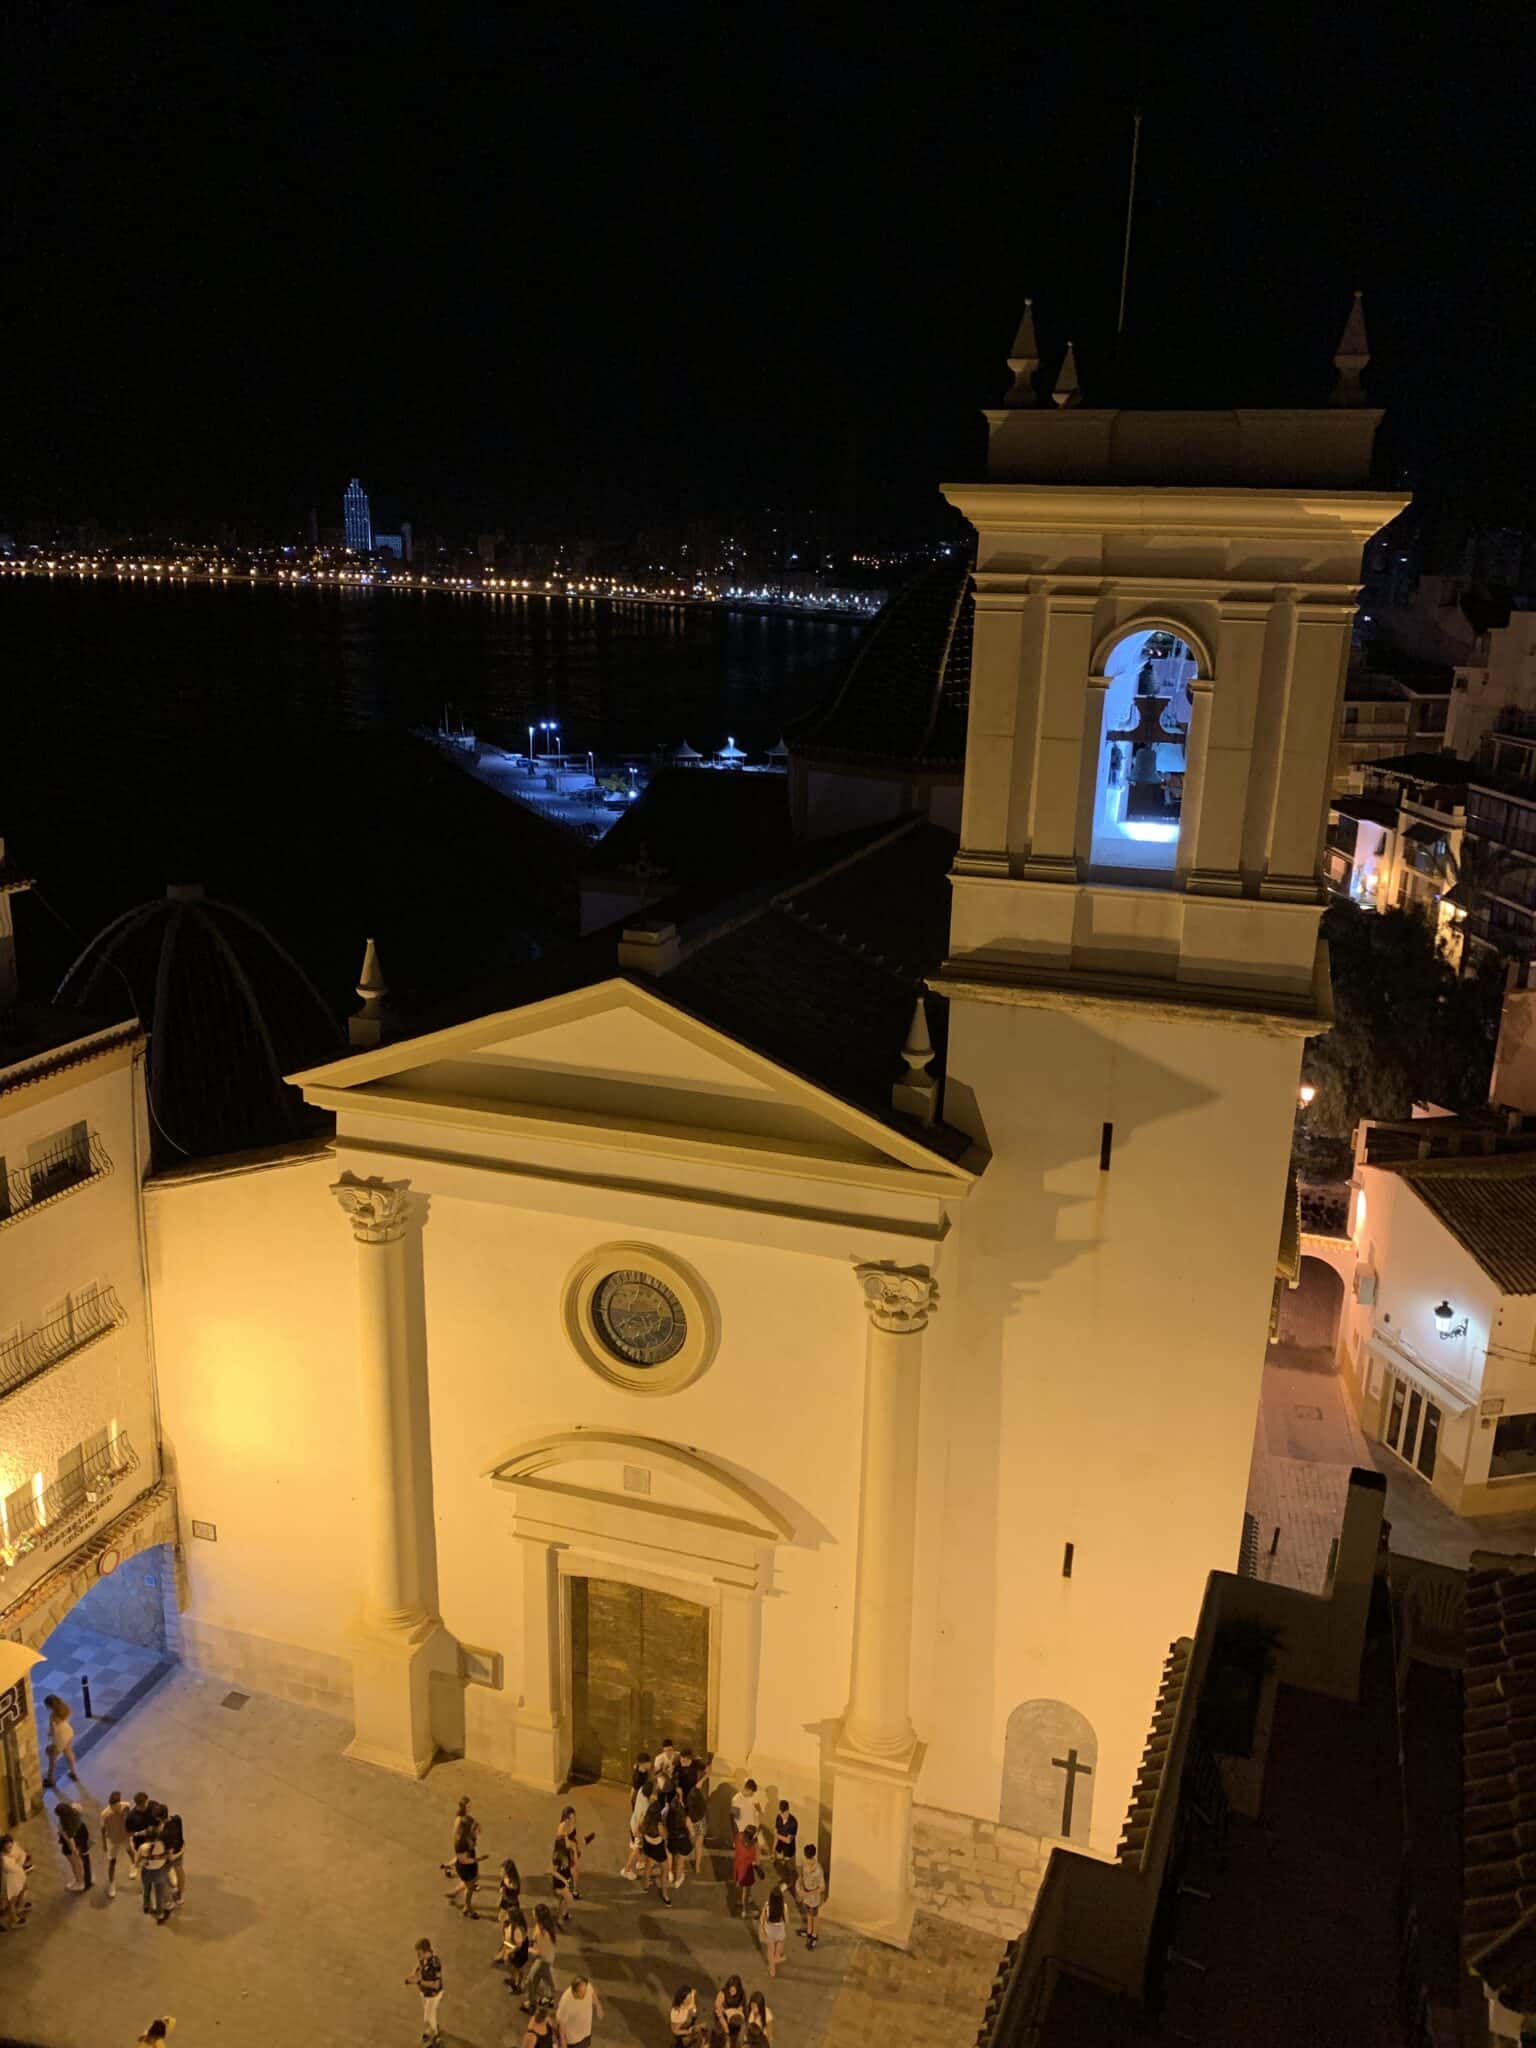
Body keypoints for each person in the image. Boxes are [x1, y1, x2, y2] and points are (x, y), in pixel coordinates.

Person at [446, 1795, 480, 1918]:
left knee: (470, 1882)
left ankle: (454, 1893)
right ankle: (467, 1907)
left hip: (466, 1863)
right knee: (469, 1886)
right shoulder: (465, 1842)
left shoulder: (465, 1838)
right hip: (466, 1865)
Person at [405, 1936, 444, 2043]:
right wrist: (413, 1974)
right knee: (430, 2014)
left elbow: (436, 1985)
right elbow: (419, 1965)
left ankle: (436, 2035)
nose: (418, 1956)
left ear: (426, 1951)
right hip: (424, 1992)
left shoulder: (435, 1964)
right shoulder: (423, 1958)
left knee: (428, 2017)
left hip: (433, 1995)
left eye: (419, 1953)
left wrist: (417, 1982)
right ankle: (430, 2030)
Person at [522, 1901, 559, 2010]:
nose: (532, 1913)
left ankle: (532, 2003)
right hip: (548, 1958)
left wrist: (527, 1949)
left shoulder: (541, 1932)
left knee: (531, 1980)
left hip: (543, 1960)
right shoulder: (546, 1927)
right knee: (540, 1979)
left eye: (534, 1912)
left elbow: (539, 1952)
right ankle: (549, 1997)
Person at [137, 1817, 172, 1922]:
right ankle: (160, 1914)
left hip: (146, 1871)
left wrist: (139, 1863)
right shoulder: (161, 1845)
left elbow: (138, 1860)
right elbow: (168, 1857)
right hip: (159, 1871)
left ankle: (146, 1906)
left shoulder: (143, 1847)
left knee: (146, 1890)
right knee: (159, 1894)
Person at [101, 1790, 133, 1900]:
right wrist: (104, 1843)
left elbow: (129, 1819)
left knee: (130, 1850)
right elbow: (103, 1829)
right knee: (112, 1862)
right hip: (113, 1840)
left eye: (115, 1805)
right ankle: (112, 1884)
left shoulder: (126, 1806)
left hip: (125, 1836)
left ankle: (134, 1866)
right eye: (112, 1806)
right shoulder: (105, 1814)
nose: (114, 1808)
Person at [55, 1800, 92, 1893]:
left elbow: (70, 1841)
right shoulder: (75, 1811)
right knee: (82, 1860)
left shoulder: (66, 1826)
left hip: (73, 1843)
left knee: (75, 1864)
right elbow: (79, 1807)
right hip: (82, 1836)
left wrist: (62, 1834)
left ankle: (79, 1881)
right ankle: (85, 1877)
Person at [42, 1694, 79, 1790]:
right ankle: (73, 1772)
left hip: (60, 1739)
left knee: (52, 1759)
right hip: (69, 1732)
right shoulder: (65, 1709)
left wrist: (49, 1735)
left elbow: (53, 1732)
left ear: (50, 1706)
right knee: (68, 1752)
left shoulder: (52, 1716)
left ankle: (50, 1780)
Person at [556, 1975, 604, 2047]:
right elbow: (561, 2024)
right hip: (573, 2040)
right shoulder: (566, 2002)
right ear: (574, 1992)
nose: (585, 1994)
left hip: (586, 2033)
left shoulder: (587, 1987)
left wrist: (598, 2006)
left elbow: (592, 1993)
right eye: (582, 1992)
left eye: (585, 1991)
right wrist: (563, 2044)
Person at [795, 1841, 825, 1949]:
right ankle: (809, 1931)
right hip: (806, 1895)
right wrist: (800, 1888)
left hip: (813, 1896)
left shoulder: (818, 1870)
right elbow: (802, 1877)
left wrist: (808, 1893)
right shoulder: (805, 1864)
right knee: (808, 1914)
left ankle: (814, 1935)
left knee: (814, 1916)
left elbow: (822, 1887)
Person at [641, 1803, 672, 1905]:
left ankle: (645, 1887)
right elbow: (665, 1836)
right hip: (658, 1850)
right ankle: (665, 1895)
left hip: (648, 1847)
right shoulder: (659, 1825)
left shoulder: (644, 1820)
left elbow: (638, 1832)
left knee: (648, 1867)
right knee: (665, 1871)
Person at [1, 1833, 33, 1929]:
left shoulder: (11, 1852)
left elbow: (21, 1853)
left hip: (18, 1877)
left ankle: (19, 1907)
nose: (10, 1849)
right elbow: (15, 1867)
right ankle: (13, 1920)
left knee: (23, 1889)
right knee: (12, 1901)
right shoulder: (3, 1859)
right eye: (7, 1848)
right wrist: (20, 1858)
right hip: (11, 1881)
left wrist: (20, 1857)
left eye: (11, 1846)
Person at [498, 1904, 530, 1992]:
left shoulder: (518, 1930)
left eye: (508, 1916)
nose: (506, 1917)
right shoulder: (508, 1924)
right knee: (510, 1965)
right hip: (511, 1948)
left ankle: (518, 1985)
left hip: (518, 1952)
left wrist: (510, 1951)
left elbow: (519, 1945)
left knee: (518, 1968)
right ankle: (512, 1979)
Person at [758, 1884, 787, 1978]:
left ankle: (772, 1969)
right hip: (780, 1931)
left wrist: (762, 1929)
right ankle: (777, 1959)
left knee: (770, 1950)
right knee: (778, 1951)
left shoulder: (767, 1906)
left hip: (769, 1930)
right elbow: (787, 1920)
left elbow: (762, 1919)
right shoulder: (784, 1907)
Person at [160, 1805, 186, 1900]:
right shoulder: (177, 1818)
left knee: (163, 1873)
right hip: (179, 1847)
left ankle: (166, 1899)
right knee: (180, 1871)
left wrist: (182, 1851)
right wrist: (182, 1850)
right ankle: (180, 1895)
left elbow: (170, 1857)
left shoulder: (166, 1833)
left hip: (172, 1854)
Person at [732, 1823, 759, 1914]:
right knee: (745, 1891)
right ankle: (744, 1910)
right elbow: (754, 1861)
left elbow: (734, 1845)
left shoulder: (739, 1836)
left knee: (738, 1885)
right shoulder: (751, 1847)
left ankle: (739, 1900)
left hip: (738, 1866)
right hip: (746, 1870)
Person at [550, 1832, 576, 1924]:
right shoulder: (557, 1856)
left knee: (563, 1900)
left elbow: (572, 1864)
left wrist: (573, 1853)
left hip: (567, 1879)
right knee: (569, 1899)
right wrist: (564, 1880)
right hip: (560, 1882)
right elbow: (553, 1871)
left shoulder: (569, 1852)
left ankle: (563, 1914)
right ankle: (560, 1917)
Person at [772, 1800, 797, 1881]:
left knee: (790, 1869)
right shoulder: (778, 1817)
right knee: (780, 1867)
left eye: (783, 1814)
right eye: (780, 1813)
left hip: (788, 1850)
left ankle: (791, 1884)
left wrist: (777, 1835)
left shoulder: (793, 1822)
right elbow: (776, 1832)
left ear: (788, 1811)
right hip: (780, 1847)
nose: (781, 1816)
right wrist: (774, 1848)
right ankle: (784, 1880)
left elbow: (788, 1841)